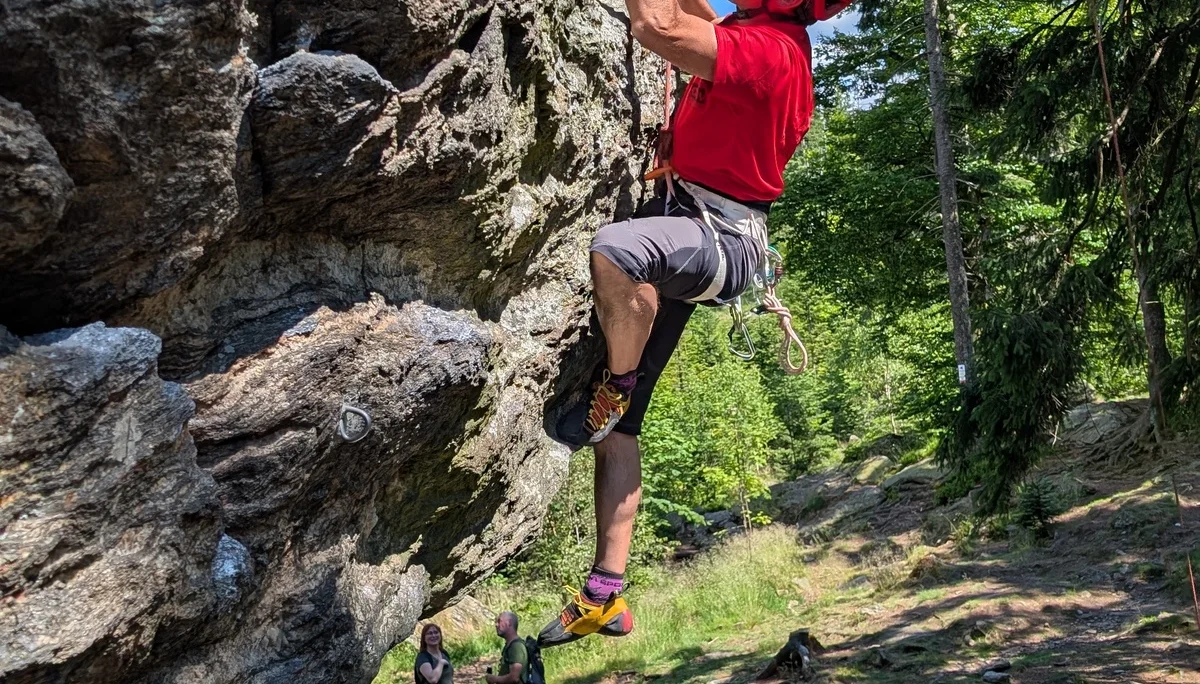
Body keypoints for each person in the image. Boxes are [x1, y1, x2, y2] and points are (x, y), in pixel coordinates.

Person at [542, 0, 853, 648]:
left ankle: (617, 383)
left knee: (618, 253)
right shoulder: (751, 32)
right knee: (620, 435)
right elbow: (688, 10)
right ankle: (605, 592)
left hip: (720, 237)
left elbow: (659, 26)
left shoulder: (777, 52)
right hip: (693, 222)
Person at [485, 612, 527, 684]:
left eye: (499, 621)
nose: (496, 625)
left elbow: (514, 678)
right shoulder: (510, 645)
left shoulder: (516, 647)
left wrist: (494, 679)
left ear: (509, 623)